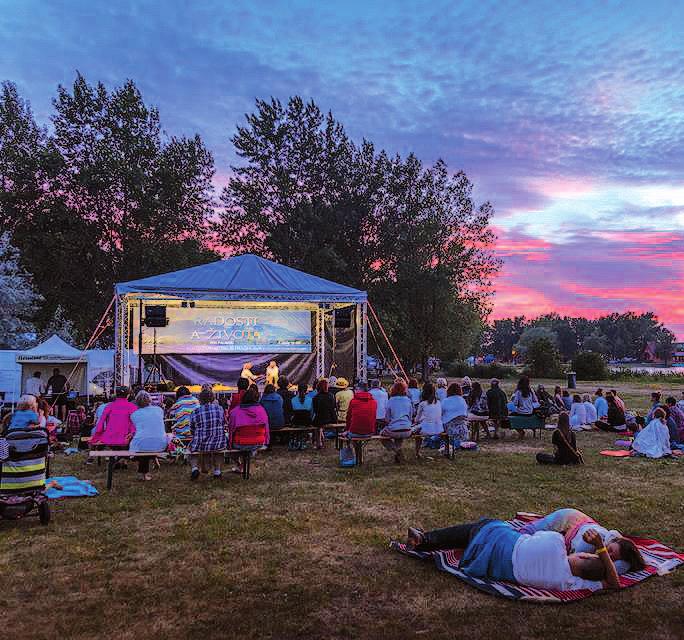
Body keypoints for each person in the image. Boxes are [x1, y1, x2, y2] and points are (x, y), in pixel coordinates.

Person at [405, 518, 620, 591]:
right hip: (496, 567)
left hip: (498, 548)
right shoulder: (569, 583)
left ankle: (425, 540)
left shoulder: (556, 543)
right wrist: (600, 552)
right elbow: (613, 583)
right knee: (482, 533)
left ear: (583, 557)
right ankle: (425, 540)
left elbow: (529, 536)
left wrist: (600, 546)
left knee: (487, 526)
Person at [519, 508, 645, 575]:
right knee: (524, 533)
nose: (607, 554)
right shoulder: (592, 540)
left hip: (571, 534)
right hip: (569, 519)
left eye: (613, 558)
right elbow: (568, 564)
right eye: (610, 550)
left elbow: (622, 566)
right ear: (613, 540)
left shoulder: (615, 548)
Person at [227, 386, 270, 470]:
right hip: (258, 442)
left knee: (226, 442)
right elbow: (266, 428)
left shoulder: (235, 412)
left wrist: (229, 445)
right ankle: (242, 465)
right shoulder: (262, 410)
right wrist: (266, 441)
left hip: (240, 443)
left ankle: (239, 464)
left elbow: (231, 430)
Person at [129, 390, 168, 481]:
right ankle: (144, 472)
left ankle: (142, 473)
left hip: (142, 445)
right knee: (146, 441)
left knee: (142, 443)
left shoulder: (134, 415)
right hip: (161, 443)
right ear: (150, 400)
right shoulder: (159, 410)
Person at [188, 389, 226, 480]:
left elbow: (192, 429)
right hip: (218, 442)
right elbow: (223, 423)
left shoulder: (195, 411)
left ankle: (194, 469)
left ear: (200, 399)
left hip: (201, 443)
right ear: (213, 398)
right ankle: (217, 471)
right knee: (219, 450)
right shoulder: (220, 409)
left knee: (191, 449)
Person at [381, 380, 415, 463]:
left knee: (382, 435)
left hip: (394, 429)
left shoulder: (391, 400)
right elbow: (411, 417)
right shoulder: (408, 400)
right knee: (399, 437)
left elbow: (387, 419)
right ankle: (398, 455)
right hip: (407, 430)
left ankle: (396, 450)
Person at [414, 382, 442, 457]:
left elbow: (416, 419)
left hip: (427, 429)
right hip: (439, 428)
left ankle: (417, 452)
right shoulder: (439, 402)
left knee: (417, 433)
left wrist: (416, 422)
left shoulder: (422, 404)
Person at [312, 379, 337, 448]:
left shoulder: (316, 397)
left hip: (320, 419)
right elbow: (333, 407)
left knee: (316, 424)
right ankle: (321, 439)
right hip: (330, 418)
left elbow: (315, 410)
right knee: (319, 423)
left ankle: (318, 442)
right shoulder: (331, 396)